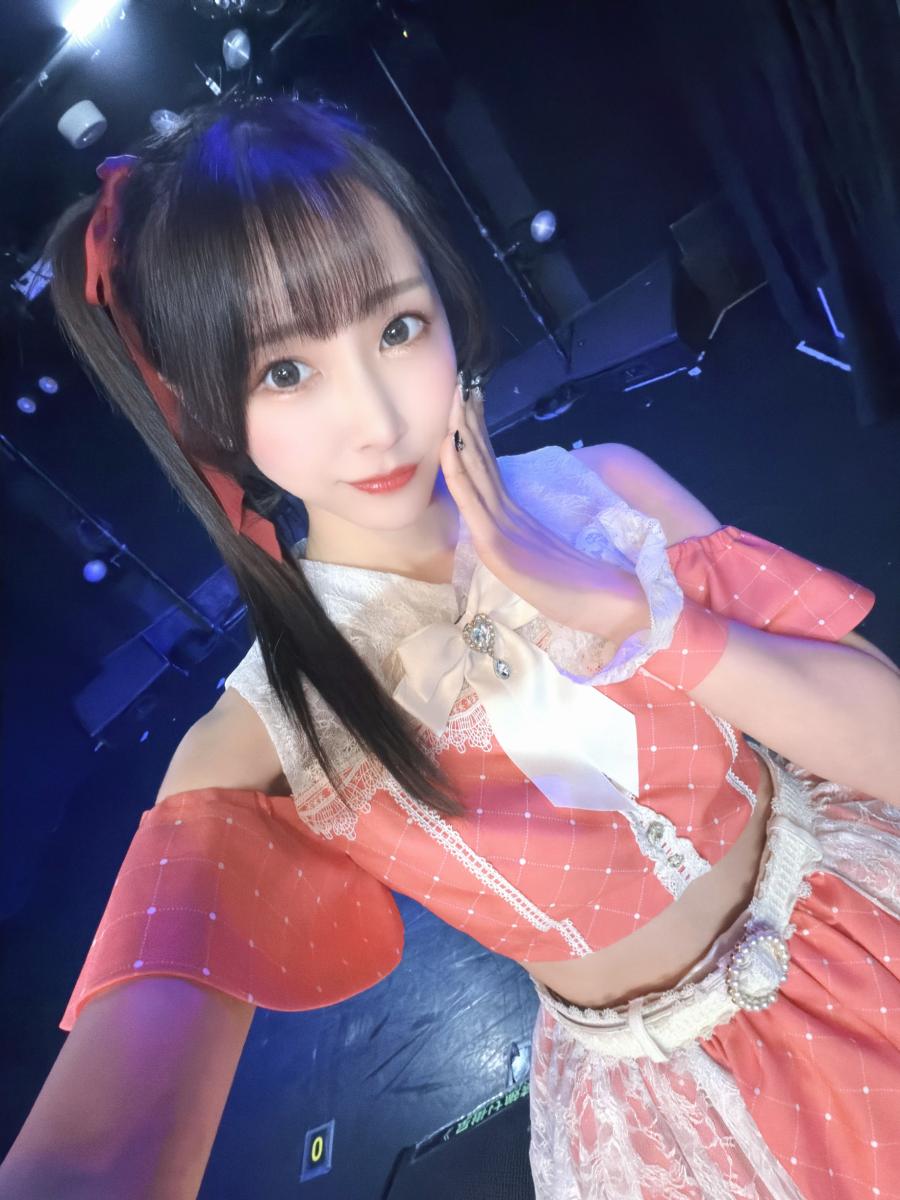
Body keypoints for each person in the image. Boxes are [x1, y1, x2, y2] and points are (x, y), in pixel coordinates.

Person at [1, 93, 898, 1200]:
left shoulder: (606, 492)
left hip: (869, 931)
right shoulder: (264, 735)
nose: (376, 418)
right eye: (285, 372)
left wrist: (633, 614)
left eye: (395, 328)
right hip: (677, 1133)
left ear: (442, 300)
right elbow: (99, 1155)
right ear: (202, 409)